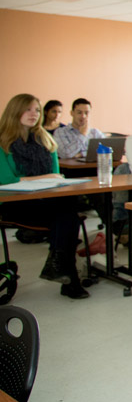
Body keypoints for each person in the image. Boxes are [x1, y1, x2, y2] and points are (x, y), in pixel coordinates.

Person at [0, 93, 89, 299]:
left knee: (67, 212)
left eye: (37, 110)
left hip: (46, 202)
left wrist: (48, 178)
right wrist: (45, 177)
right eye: (28, 109)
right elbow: (7, 181)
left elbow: (56, 178)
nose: (34, 114)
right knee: (68, 216)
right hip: (15, 204)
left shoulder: (45, 139)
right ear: (15, 112)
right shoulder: (3, 142)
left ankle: (62, 270)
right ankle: (67, 277)